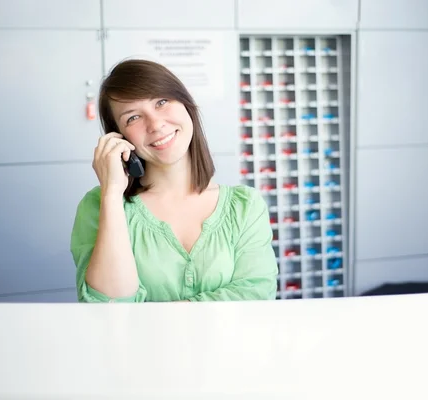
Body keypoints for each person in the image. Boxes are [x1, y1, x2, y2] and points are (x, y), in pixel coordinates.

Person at [70, 59, 279, 302]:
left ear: (186, 104)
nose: (156, 124)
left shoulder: (245, 205)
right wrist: (112, 194)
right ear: (119, 137)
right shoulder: (99, 206)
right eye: (133, 118)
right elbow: (108, 307)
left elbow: (256, 295)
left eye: (161, 102)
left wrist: (155, 317)